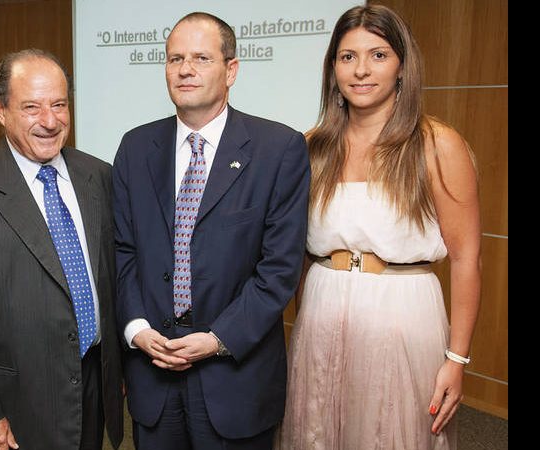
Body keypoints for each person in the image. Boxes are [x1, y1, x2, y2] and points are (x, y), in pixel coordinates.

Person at [277, 5, 481, 450]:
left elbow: (466, 258)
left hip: (405, 314)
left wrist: (457, 360)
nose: (362, 70)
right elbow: (292, 253)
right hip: (322, 313)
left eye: (379, 55)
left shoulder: (437, 144)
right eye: (348, 57)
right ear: (333, 68)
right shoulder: (310, 147)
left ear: (402, 65)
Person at [113, 11, 310, 450]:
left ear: (231, 70)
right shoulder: (135, 146)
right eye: (174, 58)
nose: (185, 69)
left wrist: (218, 339)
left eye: (201, 58)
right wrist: (136, 328)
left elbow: (279, 269)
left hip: (235, 378)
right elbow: (123, 253)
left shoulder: (279, 149)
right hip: (153, 371)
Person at [0, 49, 124, 450]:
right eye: (31, 107)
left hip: (93, 382)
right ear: (0, 109)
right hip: (17, 402)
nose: (49, 120)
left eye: (59, 105)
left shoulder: (98, 176)